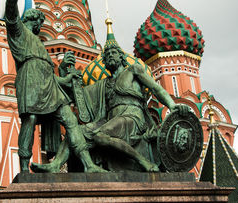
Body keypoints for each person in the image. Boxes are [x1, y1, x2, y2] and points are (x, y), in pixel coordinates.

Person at [4, 0, 105, 173]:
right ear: (31, 20)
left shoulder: (40, 47)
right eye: (39, 22)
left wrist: (66, 79)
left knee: (70, 121)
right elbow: (10, 6)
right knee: (30, 120)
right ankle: (24, 168)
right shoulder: (19, 33)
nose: (41, 25)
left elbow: (49, 76)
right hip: (29, 80)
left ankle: (88, 164)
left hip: (51, 87)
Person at [31, 42, 188, 173]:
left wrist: (173, 105)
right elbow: (78, 96)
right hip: (110, 119)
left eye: (114, 53)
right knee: (76, 131)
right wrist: (65, 71)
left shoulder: (133, 70)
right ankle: (56, 165)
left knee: (99, 136)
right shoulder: (104, 84)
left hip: (133, 117)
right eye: (107, 55)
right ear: (104, 62)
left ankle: (144, 162)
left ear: (121, 57)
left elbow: (156, 89)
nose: (111, 56)